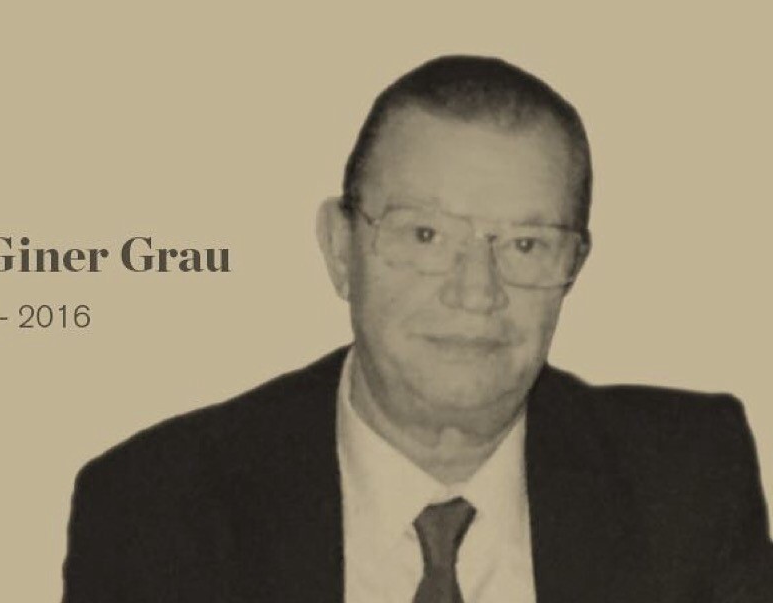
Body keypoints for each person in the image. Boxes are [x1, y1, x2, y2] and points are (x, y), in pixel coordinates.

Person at [61, 56, 772, 602]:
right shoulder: (157, 511)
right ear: (341, 249)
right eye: (426, 234)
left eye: (526, 245)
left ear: (574, 267)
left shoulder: (689, 483)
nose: (476, 292)